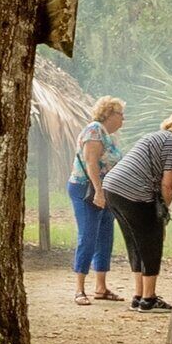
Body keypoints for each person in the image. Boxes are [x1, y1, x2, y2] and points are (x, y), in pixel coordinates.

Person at [100, 109, 172, 312]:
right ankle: (148, 299)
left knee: (135, 242)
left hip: (112, 188)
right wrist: (162, 213)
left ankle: (138, 295)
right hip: (134, 192)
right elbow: (168, 183)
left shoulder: (154, 136)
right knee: (151, 242)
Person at [68, 96, 125, 305]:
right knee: (88, 235)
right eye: (121, 114)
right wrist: (99, 192)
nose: (123, 119)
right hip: (87, 190)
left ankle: (101, 287)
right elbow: (91, 162)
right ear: (109, 114)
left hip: (104, 190)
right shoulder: (94, 130)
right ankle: (79, 289)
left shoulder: (108, 136)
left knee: (105, 236)